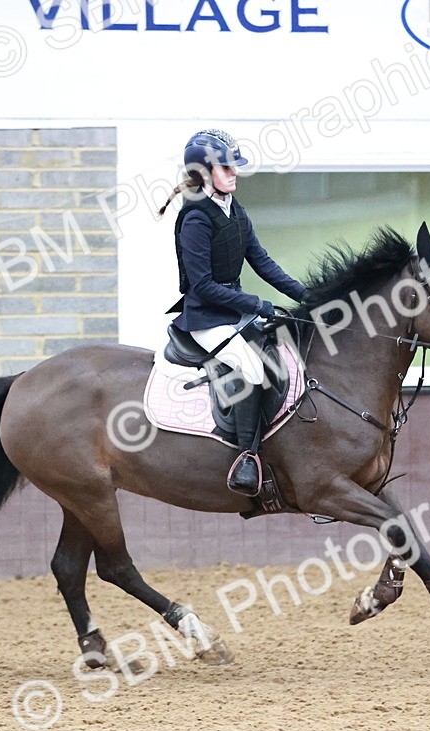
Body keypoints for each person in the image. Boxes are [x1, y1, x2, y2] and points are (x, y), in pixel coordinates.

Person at [158, 129, 308, 497]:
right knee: (253, 368)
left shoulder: (234, 209)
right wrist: (256, 305)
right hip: (206, 317)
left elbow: (262, 261)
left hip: (233, 311)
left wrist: (307, 295)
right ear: (206, 172)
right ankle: (246, 458)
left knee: (279, 356)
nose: (235, 172)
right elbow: (203, 286)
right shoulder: (195, 218)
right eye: (227, 167)